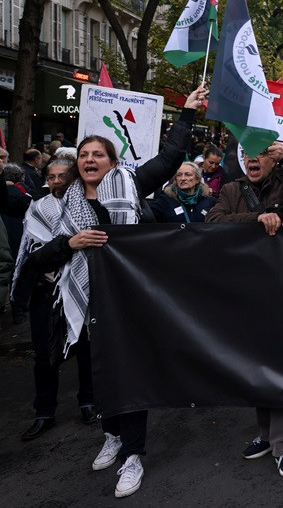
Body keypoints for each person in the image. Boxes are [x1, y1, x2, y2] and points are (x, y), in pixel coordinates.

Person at [16, 85, 206, 499]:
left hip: (128, 300)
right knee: (99, 374)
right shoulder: (58, 204)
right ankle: (112, 435)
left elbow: (169, 157)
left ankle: (133, 455)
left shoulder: (131, 185)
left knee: (129, 375)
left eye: (98, 154)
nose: (89, 159)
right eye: (84, 155)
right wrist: (69, 243)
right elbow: (35, 259)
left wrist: (188, 114)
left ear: (113, 162)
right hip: (84, 305)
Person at [207, 141, 283, 478]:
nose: (252, 159)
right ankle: (266, 435)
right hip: (247, 290)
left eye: (260, 154)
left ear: (272, 158)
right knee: (258, 365)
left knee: (282, 365)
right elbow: (213, 221)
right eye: (247, 155)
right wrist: (258, 218)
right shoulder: (231, 189)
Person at [11, 158, 97, 442]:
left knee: (85, 348)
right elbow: (34, 257)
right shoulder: (37, 208)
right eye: (51, 176)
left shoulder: (86, 207)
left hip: (83, 288)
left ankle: (88, 402)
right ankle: (44, 413)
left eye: (62, 175)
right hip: (46, 292)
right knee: (44, 355)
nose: (56, 181)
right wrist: (68, 245)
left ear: (73, 177)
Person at [150, 162, 218, 223]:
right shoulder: (165, 200)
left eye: (188, 175)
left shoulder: (210, 202)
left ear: (197, 179)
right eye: (179, 175)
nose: (182, 178)